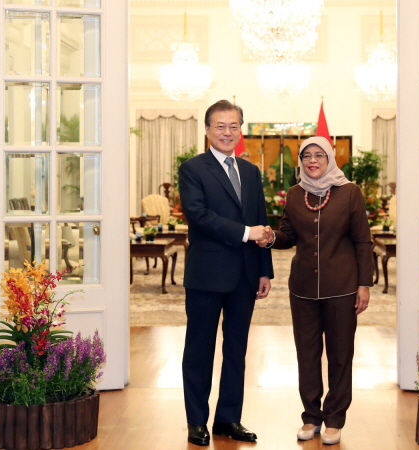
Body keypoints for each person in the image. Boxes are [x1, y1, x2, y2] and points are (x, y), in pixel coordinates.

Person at [258, 136, 373, 445]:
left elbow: (363, 242)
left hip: (343, 287)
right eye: (307, 155)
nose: (312, 160)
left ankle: (335, 418)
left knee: (339, 355)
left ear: (330, 158)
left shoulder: (350, 193)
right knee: (307, 355)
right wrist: (271, 238)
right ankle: (311, 417)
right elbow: (288, 235)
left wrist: (364, 284)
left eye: (319, 155)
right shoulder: (296, 194)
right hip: (303, 289)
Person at [178, 99, 274, 446]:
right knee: (199, 349)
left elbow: (261, 218)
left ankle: (228, 419)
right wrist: (246, 233)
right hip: (206, 275)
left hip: (246, 276)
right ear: (207, 130)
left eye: (233, 126)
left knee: (236, 349)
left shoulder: (250, 171)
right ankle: (196, 421)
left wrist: (264, 271)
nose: (227, 132)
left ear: (241, 130)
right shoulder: (192, 169)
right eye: (220, 126)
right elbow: (199, 215)